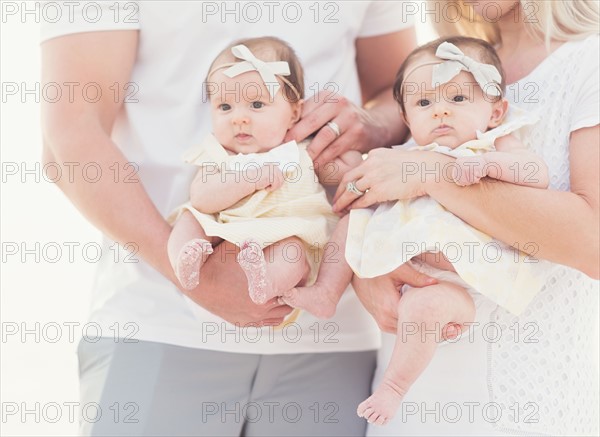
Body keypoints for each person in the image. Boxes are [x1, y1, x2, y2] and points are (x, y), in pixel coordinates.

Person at [40, 2, 418, 435]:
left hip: (332, 335)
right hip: (158, 324)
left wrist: (374, 123)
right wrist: (194, 278)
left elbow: (399, 92)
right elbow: (69, 138)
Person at [334, 1, 599, 435]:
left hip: (526, 411)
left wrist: (431, 173)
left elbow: (594, 243)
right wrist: (369, 270)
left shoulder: (590, 61)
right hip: (405, 408)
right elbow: (394, 200)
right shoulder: (436, 69)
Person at [284, 36, 549, 425]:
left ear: (495, 112)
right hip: (407, 269)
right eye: (424, 103)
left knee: (422, 309)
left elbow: (537, 174)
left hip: (459, 285)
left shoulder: (494, 142)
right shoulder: (404, 154)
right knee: (350, 222)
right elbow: (361, 180)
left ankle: (393, 388)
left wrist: (493, 167)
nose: (440, 111)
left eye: (457, 99)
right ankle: (326, 290)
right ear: (407, 119)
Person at [167, 37, 361, 310]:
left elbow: (351, 177)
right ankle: (185, 259)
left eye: (256, 105)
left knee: (293, 254)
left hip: (285, 232)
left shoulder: (303, 151)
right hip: (224, 229)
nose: (239, 118)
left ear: (295, 113)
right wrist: (249, 179)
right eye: (225, 107)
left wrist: (351, 165)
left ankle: (266, 282)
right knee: (189, 220)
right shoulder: (217, 155)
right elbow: (201, 198)